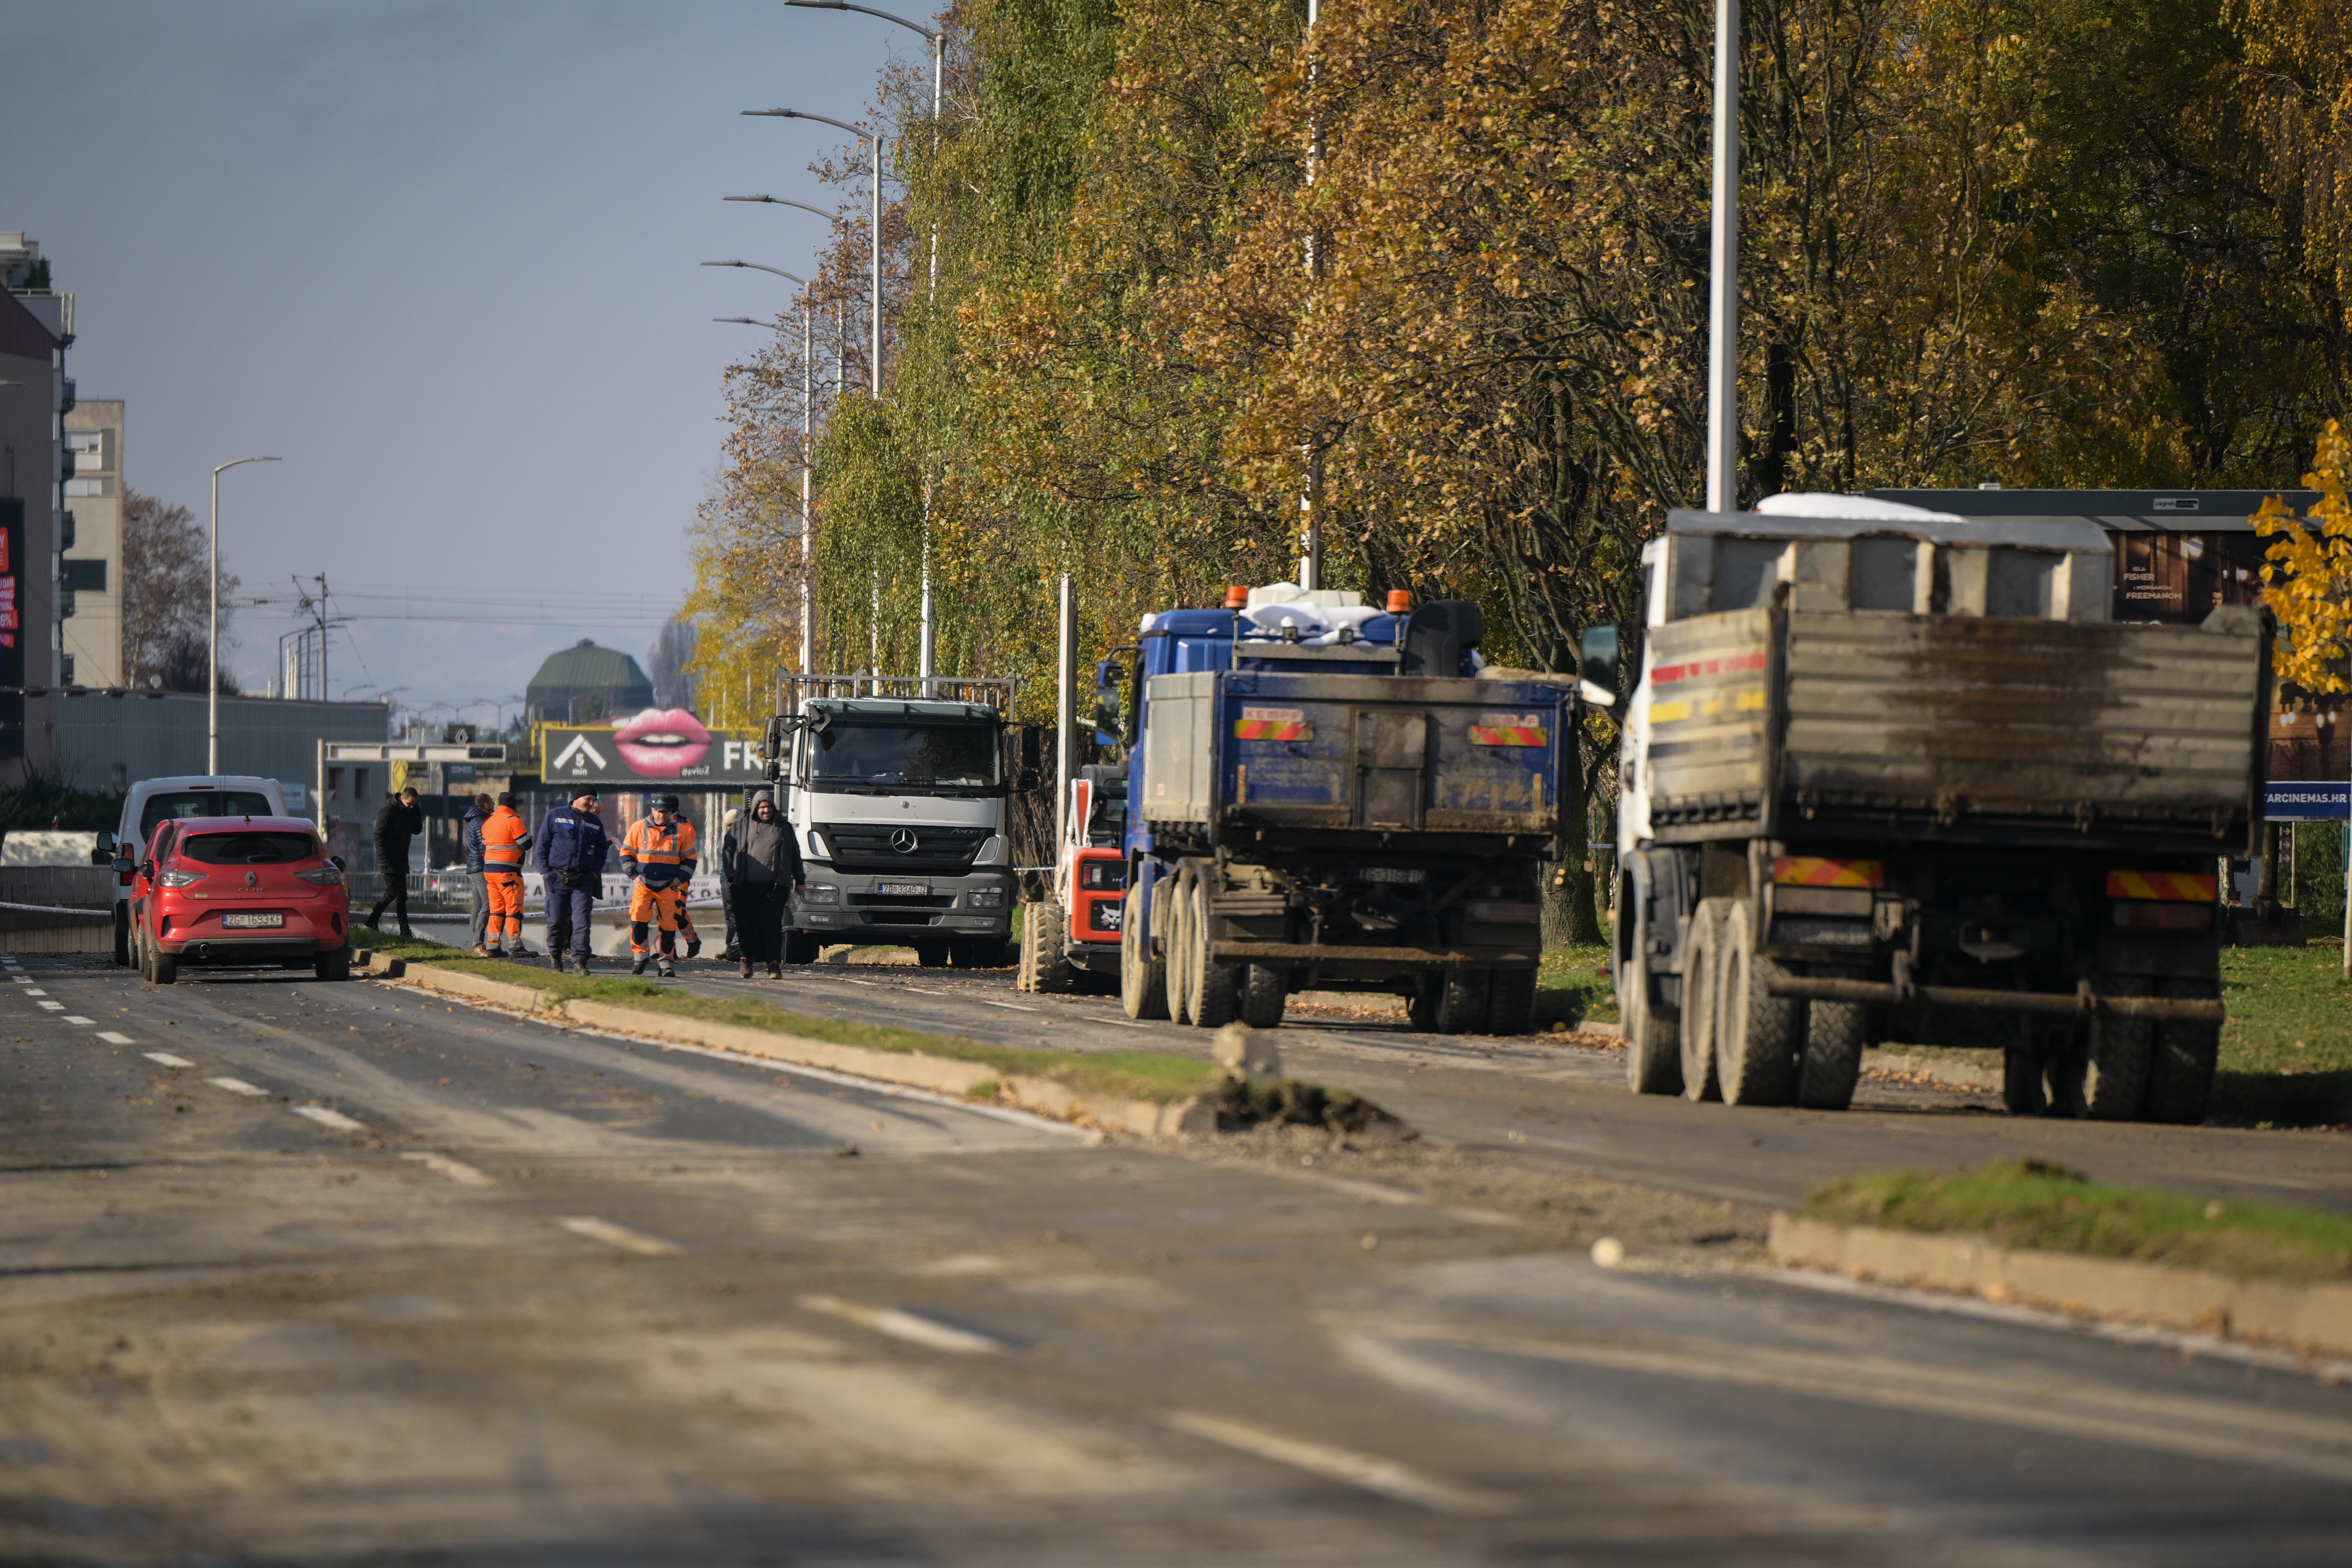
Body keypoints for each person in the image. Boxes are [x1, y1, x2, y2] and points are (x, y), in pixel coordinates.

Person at [724, 788, 803, 979]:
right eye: (762, 807)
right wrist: (732, 878)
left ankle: (773, 964)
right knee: (746, 926)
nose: (766, 810)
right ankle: (746, 961)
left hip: (775, 888)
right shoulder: (742, 825)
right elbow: (728, 850)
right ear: (756, 808)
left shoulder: (783, 826)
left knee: (772, 926)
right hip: (745, 887)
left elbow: (795, 854)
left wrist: (800, 881)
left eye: (768, 807)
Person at [621, 793, 697, 978]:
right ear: (652, 810)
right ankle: (640, 957)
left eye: (666, 812)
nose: (662, 815)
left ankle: (666, 963)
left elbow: (690, 859)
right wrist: (633, 875)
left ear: (671, 813)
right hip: (644, 885)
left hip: (669, 886)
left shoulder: (681, 831)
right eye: (659, 811)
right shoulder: (638, 828)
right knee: (638, 921)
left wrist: (680, 879)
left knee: (669, 927)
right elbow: (626, 854)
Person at [536, 788, 610, 974]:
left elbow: (601, 852)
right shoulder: (555, 815)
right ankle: (555, 958)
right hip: (557, 878)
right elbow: (543, 844)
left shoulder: (595, 823)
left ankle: (580, 962)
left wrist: (594, 873)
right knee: (556, 920)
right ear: (577, 798)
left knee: (582, 922)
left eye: (594, 800)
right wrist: (546, 872)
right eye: (589, 799)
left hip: (583, 879)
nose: (591, 803)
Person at [367, 785, 426, 937]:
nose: (411, 807)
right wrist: (383, 859)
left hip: (401, 857)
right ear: (402, 798)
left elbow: (417, 830)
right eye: (410, 804)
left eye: (414, 804)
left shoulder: (409, 812)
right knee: (392, 892)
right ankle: (371, 922)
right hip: (390, 858)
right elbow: (378, 836)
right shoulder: (388, 811)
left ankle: (405, 930)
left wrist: (416, 811)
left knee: (402, 896)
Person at [480, 792, 532, 959]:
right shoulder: (513, 821)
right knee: (513, 909)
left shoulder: (488, 822)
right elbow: (526, 844)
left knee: (496, 910)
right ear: (513, 806)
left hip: (490, 872)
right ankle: (515, 946)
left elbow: (484, 845)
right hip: (508, 872)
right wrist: (529, 837)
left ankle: (493, 946)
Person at [463, 793, 495, 955]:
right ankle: (478, 942)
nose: (494, 803)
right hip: (481, 867)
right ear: (486, 805)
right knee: (488, 904)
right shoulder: (483, 822)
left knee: (477, 906)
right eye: (491, 802)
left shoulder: (473, 821)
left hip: (473, 867)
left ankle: (476, 943)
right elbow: (484, 846)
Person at [717, 805, 744, 961]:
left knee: (737, 916)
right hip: (727, 881)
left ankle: (737, 948)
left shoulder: (744, 839)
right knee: (730, 917)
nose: (728, 828)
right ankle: (730, 947)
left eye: (731, 825)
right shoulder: (729, 837)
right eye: (726, 825)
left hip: (737, 882)